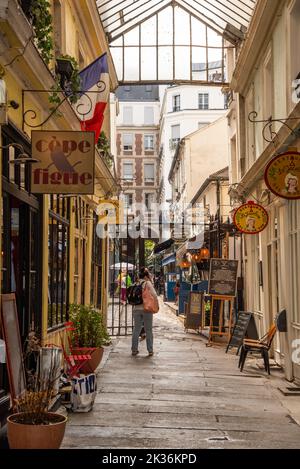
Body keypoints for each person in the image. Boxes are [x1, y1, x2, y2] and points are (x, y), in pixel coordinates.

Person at [131, 267, 158, 357]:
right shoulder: (147, 283)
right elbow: (154, 294)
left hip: (136, 309)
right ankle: (150, 350)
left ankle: (134, 349)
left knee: (136, 329)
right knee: (148, 329)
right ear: (146, 276)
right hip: (146, 308)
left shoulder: (136, 283)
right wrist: (156, 304)